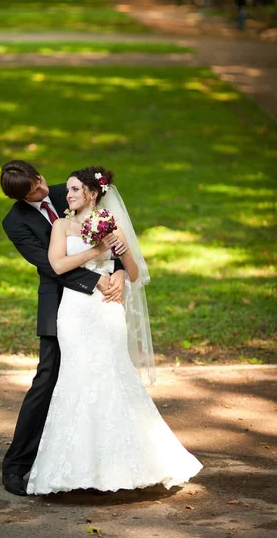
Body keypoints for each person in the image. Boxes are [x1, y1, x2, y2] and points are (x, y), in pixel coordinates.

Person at [26, 166, 203, 494]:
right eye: (68, 190)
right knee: (75, 379)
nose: (69, 195)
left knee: (113, 375)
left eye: (76, 189)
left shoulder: (112, 224)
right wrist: (96, 250)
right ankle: (72, 472)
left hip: (107, 310)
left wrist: (121, 263)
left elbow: (134, 273)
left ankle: (121, 466)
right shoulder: (61, 226)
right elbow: (57, 265)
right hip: (75, 312)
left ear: (93, 193)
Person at [0, 160, 127, 496]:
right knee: (48, 378)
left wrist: (118, 274)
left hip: (100, 302)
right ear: (20, 197)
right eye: (34, 192)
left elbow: (110, 234)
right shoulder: (14, 222)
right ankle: (16, 465)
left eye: (40, 181)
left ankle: (98, 461)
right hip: (59, 302)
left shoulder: (71, 191)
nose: (45, 190)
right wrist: (96, 280)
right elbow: (50, 265)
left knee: (99, 376)